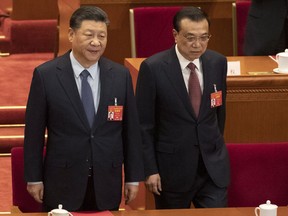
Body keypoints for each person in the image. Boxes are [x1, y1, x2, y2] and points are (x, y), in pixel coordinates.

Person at [24, 6, 144, 212]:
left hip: (107, 180)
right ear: (71, 34)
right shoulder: (46, 75)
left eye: (102, 36)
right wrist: (34, 178)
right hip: (62, 179)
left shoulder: (120, 75)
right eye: (89, 35)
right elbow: (33, 133)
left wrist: (133, 178)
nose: (96, 42)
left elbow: (131, 131)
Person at [136, 7, 230, 209]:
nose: (197, 45)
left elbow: (219, 113)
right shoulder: (153, 68)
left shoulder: (218, 62)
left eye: (204, 37)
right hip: (172, 171)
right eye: (190, 37)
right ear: (175, 35)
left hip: (212, 168)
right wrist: (150, 169)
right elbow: (143, 125)